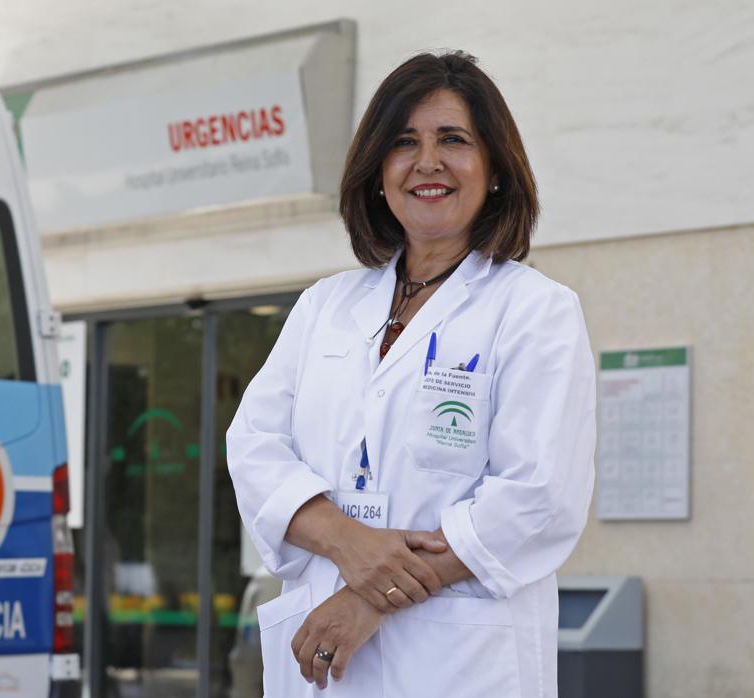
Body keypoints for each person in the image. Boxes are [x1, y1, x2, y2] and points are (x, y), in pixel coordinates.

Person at [226, 51, 595, 697]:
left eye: (453, 140)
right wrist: (347, 543)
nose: (428, 162)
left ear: (497, 170)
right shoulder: (325, 305)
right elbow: (254, 449)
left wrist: (371, 595)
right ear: (377, 173)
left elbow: (536, 498)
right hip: (320, 656)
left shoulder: (535, 310)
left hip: (457, 660)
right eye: (404, 142)